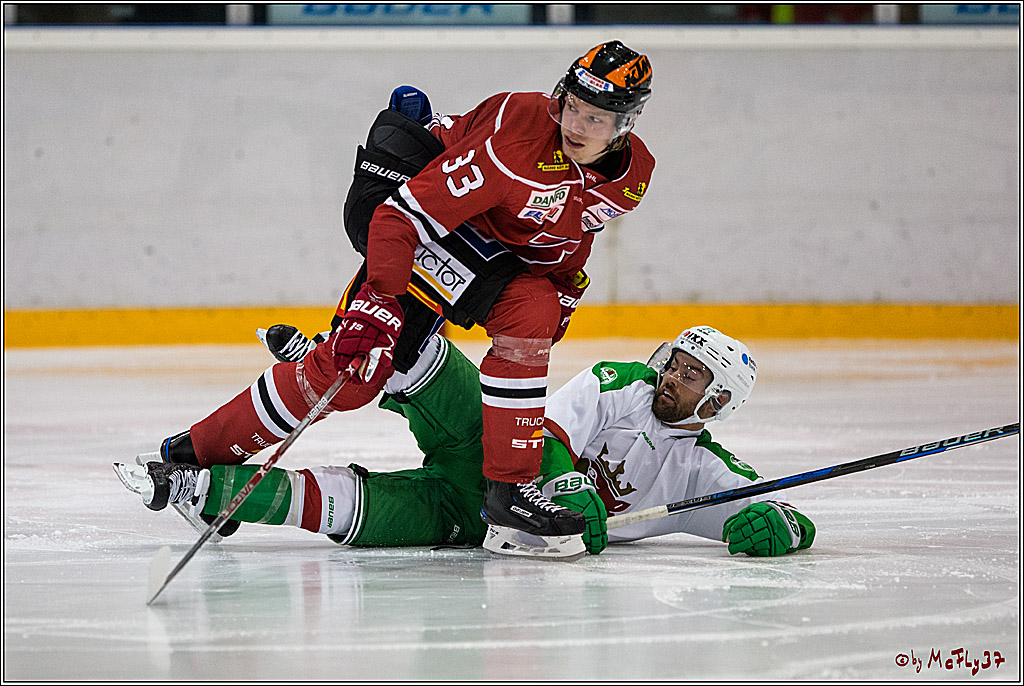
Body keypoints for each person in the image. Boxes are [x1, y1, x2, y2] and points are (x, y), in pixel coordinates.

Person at [140, 41, 657, 550]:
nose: (576, 124)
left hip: (482, 248)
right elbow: (399, 217)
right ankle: (192, 451)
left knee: (534, 312)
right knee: (352, 375)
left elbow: (569, 232)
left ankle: (509, 488)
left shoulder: (632, 179)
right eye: (573, 107)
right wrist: (381, 302)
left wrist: (564, 289)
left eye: (595, 119)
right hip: (413, 210)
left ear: (624, 126)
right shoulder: (515, 145)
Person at [114, 326, 816, 560]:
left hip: (470, 519)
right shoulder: (621, 381)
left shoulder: (701, 466)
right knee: (427, 358)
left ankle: (201, 490)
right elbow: (548, 433)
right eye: (676, 362)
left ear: (718, 402)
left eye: (692, 376)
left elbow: (775, 512)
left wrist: (782, 530)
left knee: (342, 508)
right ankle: (350, 357)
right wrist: (565, 485)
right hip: (496, 453)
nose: (672, 376)